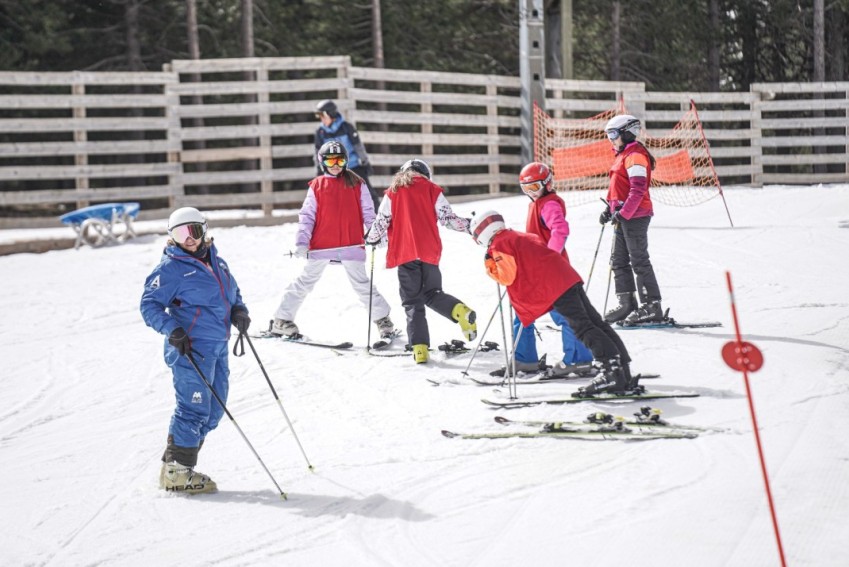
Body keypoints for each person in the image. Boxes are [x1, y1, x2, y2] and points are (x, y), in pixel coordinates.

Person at [140, 206, 251, 494]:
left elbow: (233, 294)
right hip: (190, 348)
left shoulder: (218, 262)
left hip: (218, 346)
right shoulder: (170, 269)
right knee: (193, 408)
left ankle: (173, 464)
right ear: (172, 237)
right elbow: (149, 305)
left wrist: (239, 311)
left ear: (204, 230)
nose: (189, 239)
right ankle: (178, 471)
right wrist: (172, 329)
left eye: (195, 231)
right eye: (181, 233)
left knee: (214, 411)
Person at [469, 210, 635, 397]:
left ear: (481, 232)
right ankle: (621, 371)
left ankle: (610, 371)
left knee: (583, 327)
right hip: (568, 278)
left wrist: (490, 265)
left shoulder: (499, 244)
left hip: (555, 287)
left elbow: (507, 277)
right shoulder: (518, 235)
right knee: (596, 323)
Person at [271, 140, 395, 341]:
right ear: (322, 162)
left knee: (362, 285)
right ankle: (281, 319)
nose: (335, 165)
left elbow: (369, 213)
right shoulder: (317, 186)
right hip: (322, 245)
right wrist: (302, 242)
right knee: (305, 282)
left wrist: (376, 234)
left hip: (351, 245)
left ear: (346, 161)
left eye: (339, 160)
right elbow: (307, 216)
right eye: (331, 161)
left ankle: (383, 320)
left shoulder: (358, 184)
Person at [365, 158, 477, 364]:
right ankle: (460, 311)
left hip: (405, 253)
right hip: (429, 252)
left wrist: (370, 238)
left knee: (412, 302)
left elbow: (381, 221)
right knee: (432, 294)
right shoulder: (433, 190)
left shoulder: (394, 191)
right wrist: (471, 225)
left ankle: (420, 350)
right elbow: (448, 219)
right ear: (425, 174)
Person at [501, 162, 593, 376]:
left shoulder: (549, 204)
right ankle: (525, 359)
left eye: (534, 188)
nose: (530, 193)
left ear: (547, 184)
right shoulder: (536, 204)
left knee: (564, 314)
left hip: (551, 272)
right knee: (523, 312)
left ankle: (579, 359)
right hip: (536, 271)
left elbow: (560, 230)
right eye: (525, 189)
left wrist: (550, 258)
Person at [599, 114, 664, 325]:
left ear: (627, 133)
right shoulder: (623, 154)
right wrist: (611, 209)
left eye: (613, 134)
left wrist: (623, 212)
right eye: (608, 135)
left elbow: (637, 190)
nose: (611, 139)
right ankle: (627, 303)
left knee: (639, 260)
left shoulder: (635, 156)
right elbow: (620, 189)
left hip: (636, 216)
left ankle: (652, 306)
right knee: (618, 261)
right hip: (625, 215)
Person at [314, 99, 380, 210]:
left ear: (330, 114)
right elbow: (318, 151)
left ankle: (378, 216)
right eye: (319, 116)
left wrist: (365, 162)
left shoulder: (346, 127)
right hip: (333, 169)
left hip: (352, 166)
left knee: (367, 192)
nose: (321, 119)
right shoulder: (320, 132)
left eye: (323, 116)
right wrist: (320, 168)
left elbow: (358, 146)